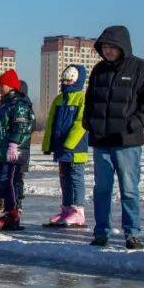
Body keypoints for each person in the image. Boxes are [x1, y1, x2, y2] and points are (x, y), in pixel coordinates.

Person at [83, 25, 144, 250]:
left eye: (112, 47)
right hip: (101, 141)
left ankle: (131, 233)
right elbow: (90, 100)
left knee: (129, 189)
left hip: (126, 142)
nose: (108, 51)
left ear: (122, 46)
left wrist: (134, 123)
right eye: (104, 47)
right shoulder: (98, 70)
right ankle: (101, 231)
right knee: (101, 189)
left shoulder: (142, 69)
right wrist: (88, 122)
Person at [0, 70, 34, 231]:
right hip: (2, 151)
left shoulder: (18, 104)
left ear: (11, 86)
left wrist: (14, 144)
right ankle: (8, 212)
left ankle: (12, 215)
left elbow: (22, 126)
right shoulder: (4, 103)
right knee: (5, 182)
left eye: (2, 85)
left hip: (13, 152)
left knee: (11, 182)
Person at [42, 65, 89, 227]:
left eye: (70, 80)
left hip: (76, 149)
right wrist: (48, 144)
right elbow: (50, 124)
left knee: (76, 178)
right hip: (61, 148)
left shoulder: (82, 98)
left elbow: (81, 123)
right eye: (65, 80)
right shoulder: (59, 99)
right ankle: (67, 209)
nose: (67, 83)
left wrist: (70, 143)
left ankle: (78, 211)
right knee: (64, 179)